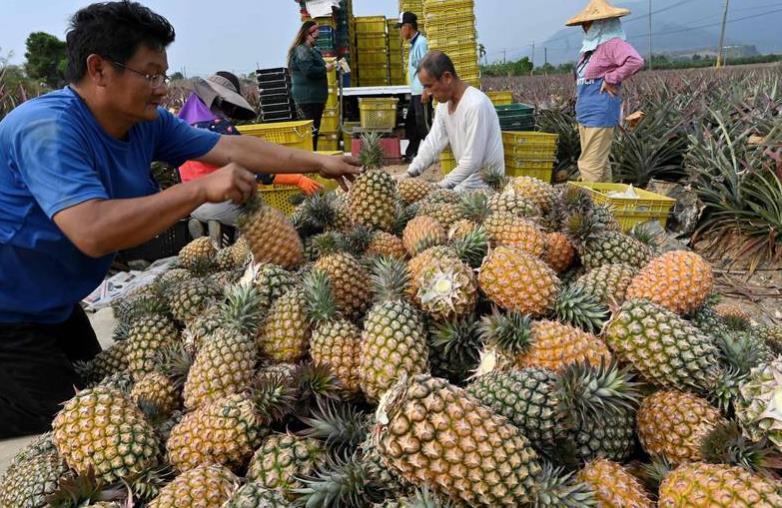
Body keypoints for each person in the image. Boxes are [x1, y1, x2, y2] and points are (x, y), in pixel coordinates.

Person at [0, 1, 359, 439]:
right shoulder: (46, 128)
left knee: (96, 390)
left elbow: (229, 149)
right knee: (56, 417)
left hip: (51, 301)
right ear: (99, 69)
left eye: (163, 75)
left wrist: (319, 162)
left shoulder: (144, 123)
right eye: (150, 74)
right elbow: (91, 230)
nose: (160, 88)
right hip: (8, 307)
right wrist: (196, 190)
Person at [178, 71, 322, 241]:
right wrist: (297, 179)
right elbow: (255, 170)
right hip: (222, 203)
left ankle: (213, 232)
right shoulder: (219, 129)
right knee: (275, 227)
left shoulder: (181, 126)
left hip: (192, 204)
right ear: (220, 101)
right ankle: (233, 231)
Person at [400, 51, 504, 191]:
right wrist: (410, 172)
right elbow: (433, 142)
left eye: (429, 86)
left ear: (447, 77)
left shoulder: (475, 104)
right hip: (463, 185)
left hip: (483, 189)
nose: (428, 93)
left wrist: (441, 186)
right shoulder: (443, 106)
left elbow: (472, 161)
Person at [566, 0, 645, 182]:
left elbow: (636, 61)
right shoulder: (590, 49)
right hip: (585, 111)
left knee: (589, 164)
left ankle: (589, 206)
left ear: (602, 23)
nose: (584, 28)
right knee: (599, 163)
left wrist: (611, 78)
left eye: (588, 23)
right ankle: (605, 204)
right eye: (584, 24)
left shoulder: (613, 44)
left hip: (600, 110)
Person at [288, 21, 335, 151]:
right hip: (308, 97)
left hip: (315, 97)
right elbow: (308, 71)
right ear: (308, 35)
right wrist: (325, 68)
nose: (317, 38)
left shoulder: (311, 50)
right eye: (316, 35)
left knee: (314, 129)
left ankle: (311, 155)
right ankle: (310, 157)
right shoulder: (302, 50)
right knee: (311, 130)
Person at [397, 11, 432, 162]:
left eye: (401, 28)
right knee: (411, 123)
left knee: (424, 124)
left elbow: (427, 67)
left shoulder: (421, 43)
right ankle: (412, 152)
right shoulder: (413, 44)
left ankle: (433, 153)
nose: (400, 31)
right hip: (415, 91)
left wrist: (426, 89)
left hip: (422, 91)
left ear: (408, 27)